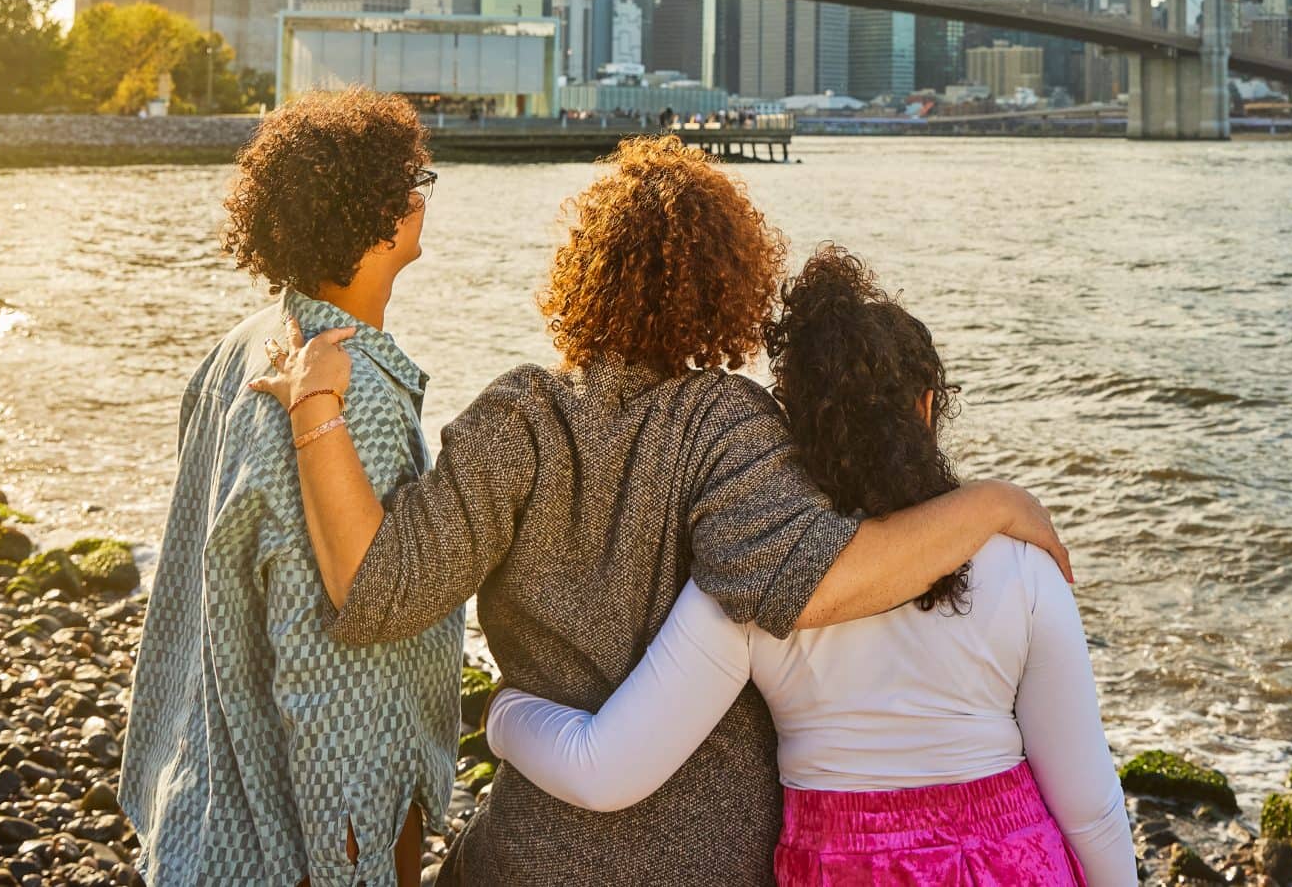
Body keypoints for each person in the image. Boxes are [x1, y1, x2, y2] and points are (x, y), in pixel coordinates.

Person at [252, 136, 1072, 887]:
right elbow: (817, 585)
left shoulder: (519, 416)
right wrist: (993, 503)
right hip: (714, 862)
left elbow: (371, 588)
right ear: (730, 284)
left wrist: (316, 408)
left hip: (534, 856)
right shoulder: (730, 424)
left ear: (585, 270)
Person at [481, 246, 1136, 886]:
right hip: (1014, 864)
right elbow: (1092, 810)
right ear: (927, 406)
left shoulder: (756, 587)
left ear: (795, 425)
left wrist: (503, 716)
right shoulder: (1020, 560)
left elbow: (606, 771)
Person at [124, 89, 461, 887]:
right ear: (374, 218)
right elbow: (325, 651)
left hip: (207, 798)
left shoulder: (238, 349)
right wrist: (349, 847)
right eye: (411, 182)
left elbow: (188, 581)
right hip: (307, 832)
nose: (422, 198)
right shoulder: (353, 392)